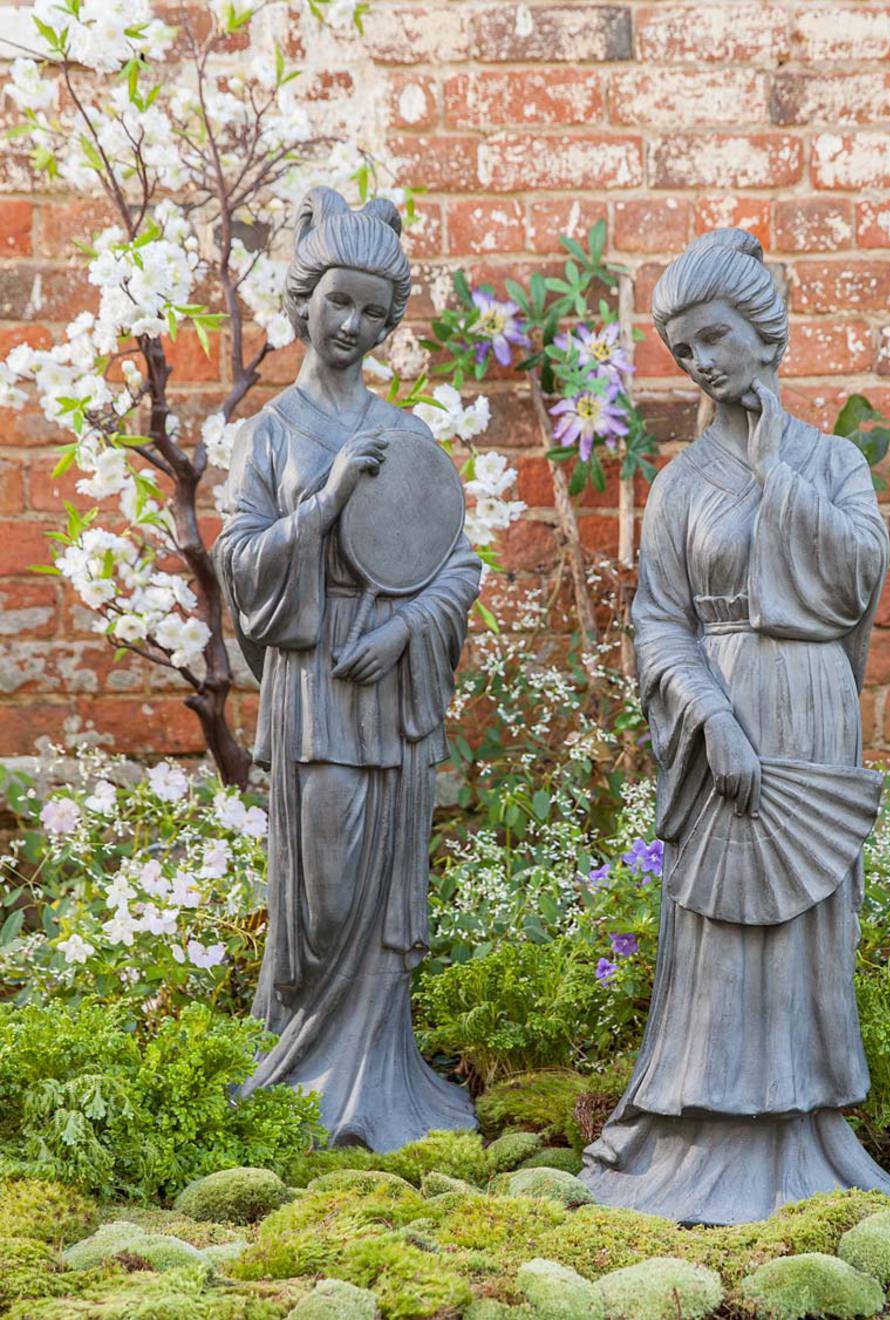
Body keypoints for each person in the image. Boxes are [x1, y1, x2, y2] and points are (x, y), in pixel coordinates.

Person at [580, 227, 890, 1224]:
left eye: (714, 338)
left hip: (810, 707)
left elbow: (856, 577)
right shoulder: (680, 484)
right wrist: (709, 717)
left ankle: (805, 1132)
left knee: (811, 921)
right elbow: (657, 620)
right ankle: (706, 1135)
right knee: (717, 924)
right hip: (724, 719)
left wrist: (775, 468)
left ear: (765, 332)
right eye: (684, 351)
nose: (702, 365)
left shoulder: (834, 460)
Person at [214, 187, 480, 1150]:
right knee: (323, 899)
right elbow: (240, 561)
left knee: (385, 887)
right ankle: (303, 1074)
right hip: (314, 691)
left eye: (375, 311)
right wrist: (321, 506)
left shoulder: (406, 433)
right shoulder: (274, 435)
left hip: (387, 685)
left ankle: (382, 1080)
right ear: (305, 300)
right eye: (339, 304)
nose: (354, 326)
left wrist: (408, 628)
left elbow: (456, 560)